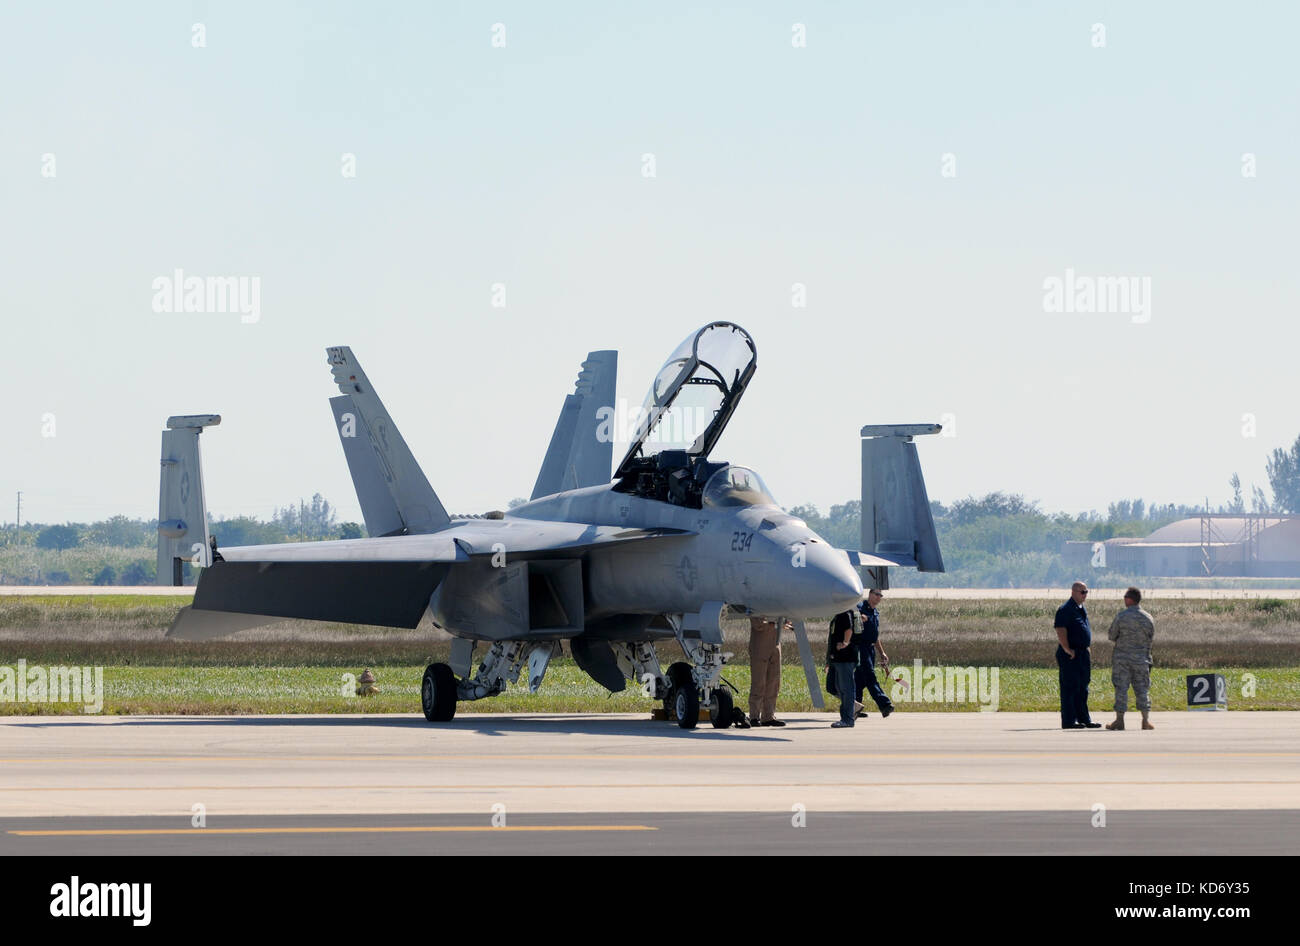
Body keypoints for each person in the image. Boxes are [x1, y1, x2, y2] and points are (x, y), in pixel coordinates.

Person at [1106, 587, 1156, 731]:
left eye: (1125, 596)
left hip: (1122, 660)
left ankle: (1119, 720)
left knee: (1121, 689)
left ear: (1129, 599)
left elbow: (1112, 635)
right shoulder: (1148, 618)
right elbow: (1150, 638)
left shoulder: (1122, 616)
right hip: (1141, 660)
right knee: (1142, 689)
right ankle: (1145, 721)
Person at [1054, 580, 1100, 729]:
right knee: (1070, 687)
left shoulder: (1081, 608)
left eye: (1086, 592)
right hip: (1070, 654)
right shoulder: (1066, 609)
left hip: (1082, 653)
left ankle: (1084, 718)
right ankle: (1069, 720)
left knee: (1083, 687)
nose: (1085, 595)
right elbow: (1060, 630)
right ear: (1073, 592)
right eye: (1082, 592)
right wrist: (1067, 649)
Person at [854, 589, 894, 719]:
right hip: (861, 648)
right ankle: (884, 704)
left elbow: (875, 636)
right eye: (876, 594)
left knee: (859, 680)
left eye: (880, 595)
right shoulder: (860, 608)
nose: (879, 597)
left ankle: (855, 707)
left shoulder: (875, 613)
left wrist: (882, 652)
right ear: (870, 594)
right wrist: (859, 619)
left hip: (870, 649)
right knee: (870, 676)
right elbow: (851, 625)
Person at [748, 615, 790, 727]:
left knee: (774, 683)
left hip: (775, 647)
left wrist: (782, 621)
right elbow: (758, 625)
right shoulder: (758, 606)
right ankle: (754, 716)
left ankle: (768, 716)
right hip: (760, 647)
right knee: (758, 682)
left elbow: (783, 623)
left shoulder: (778, 609)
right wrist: (776, 622)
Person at [827, 609, 860, 727]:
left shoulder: (844, 613)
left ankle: (847, 719)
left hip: (845, 658)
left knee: (846, 689)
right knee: (839, 688)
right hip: (839, 658)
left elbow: (849, 629)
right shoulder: (843, 612)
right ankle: (846, 717)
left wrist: (845, 643)